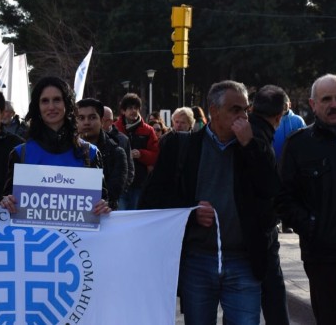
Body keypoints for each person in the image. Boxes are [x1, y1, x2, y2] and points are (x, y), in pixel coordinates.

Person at [140, 80, 275, 325]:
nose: (243, 116)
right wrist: (191, 213)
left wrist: (250, 146)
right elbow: (153, 198)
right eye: (235, 109)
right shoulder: (182, 146)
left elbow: (271, 191)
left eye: (246, 109)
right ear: (213, 110)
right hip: (197, 261)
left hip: (243, 261)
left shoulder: (256, 146)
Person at [277, 74, 336, 325]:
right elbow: (284, 199)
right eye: (326, 99)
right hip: (324, 255)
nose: (334, 104)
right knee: (328, 320)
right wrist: (312, 227)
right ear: (313, 104)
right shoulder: (299, 145)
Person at [0, 77, 110, 216]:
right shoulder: (20, 153)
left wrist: (103, 206)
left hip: (79, 236)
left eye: (57, 99)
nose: (51, 107)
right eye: (45, 101)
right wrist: (5, 201)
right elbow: (7, 200)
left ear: (67, 103)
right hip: (33, 236)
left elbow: (103, 200)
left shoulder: (89, 153)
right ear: (37, 107)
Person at [249, 85, 290, 325]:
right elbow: (270, 185)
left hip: (241, 230)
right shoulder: (259, 137)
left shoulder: (248, 130)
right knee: (273, 295)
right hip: (260, 231)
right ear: (278, 116)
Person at [77, 98, 127, 209]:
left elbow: (114, 190)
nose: (86, 122)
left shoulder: (116, 152)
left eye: (92, 117)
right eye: (81, 118)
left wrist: (104, 203)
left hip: (105, 217)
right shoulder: (63, 151)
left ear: (102, 121)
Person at [113, 93, 159, 210]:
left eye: (136, 108)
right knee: (121, 218)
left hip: (140, 183)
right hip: (119, 183)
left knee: (136, 215)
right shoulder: (114, 129)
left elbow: (156, 155)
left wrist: (141, 154)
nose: (133, 111)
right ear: (123, 111)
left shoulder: (148, 130)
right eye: (130, 108)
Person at [103, 106, 134, 193]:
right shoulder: (92, 138)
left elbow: (130, 167)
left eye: (102, 119)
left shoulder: (123, 139)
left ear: (109, 121)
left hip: (118, 193)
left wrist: (122, 186)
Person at [273, 93, 306, 161]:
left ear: (289, 104)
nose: (282, 106)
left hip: (295, 161)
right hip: (274, 161)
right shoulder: (272, 120)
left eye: (285, 104)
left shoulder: (298, 120)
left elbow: (305, 139)